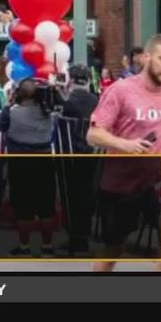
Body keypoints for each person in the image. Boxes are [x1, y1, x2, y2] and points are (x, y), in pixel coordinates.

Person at [87, 34, 161, 272]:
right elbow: (93, 134)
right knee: (112, 250)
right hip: (123, 180)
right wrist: (126, 145)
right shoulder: (120, 90)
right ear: (146, 57)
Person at [0, 77, 58, 257]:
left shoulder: (11, 113)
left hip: (20, 164)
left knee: (24, 208)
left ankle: (24, 246)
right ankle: (47, 246)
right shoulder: (48, 114)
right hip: (45, 161)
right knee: (47, 206)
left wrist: (8, 105)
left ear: (17, 93)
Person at [58, 65, 99, 255]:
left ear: (70, 80)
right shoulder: (97, 101)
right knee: (87, 195)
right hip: (92, 155)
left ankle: (75, 237)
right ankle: (83, 236)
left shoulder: (66, 103)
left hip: (70, 154)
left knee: (71, 196)